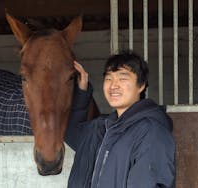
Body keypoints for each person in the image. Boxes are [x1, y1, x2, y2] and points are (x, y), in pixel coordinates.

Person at [65, 51, 175, 188]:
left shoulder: (151, 132)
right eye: (109, 78)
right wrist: (82, 91)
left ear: (141, 86)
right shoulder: (102, 128)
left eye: (123, 78)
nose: (113, 85)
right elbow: (71, 132)